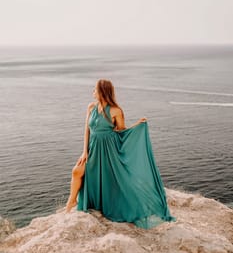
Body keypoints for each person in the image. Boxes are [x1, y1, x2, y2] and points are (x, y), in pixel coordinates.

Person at [65, 79, 176, 229]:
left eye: (95, 89)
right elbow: (87, 130)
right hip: (93, 147)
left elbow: (122, 132)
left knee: (113, 181)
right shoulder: (91, 107)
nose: (93, 92)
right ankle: (72, 201)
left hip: (109, 150)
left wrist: (137, 126)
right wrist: (84, 151)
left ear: (102, 91)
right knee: (77, 171)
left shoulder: (116, 110)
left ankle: (117, 204)